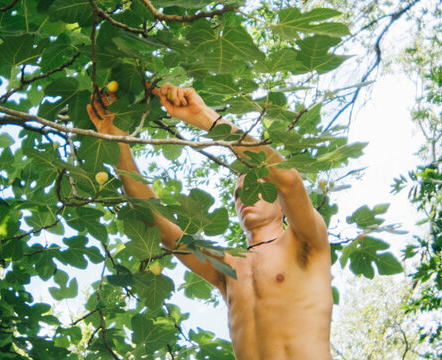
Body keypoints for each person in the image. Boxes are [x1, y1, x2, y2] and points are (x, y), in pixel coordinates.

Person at [86, 83, 333, 360]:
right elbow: (164, 232)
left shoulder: (306, 242)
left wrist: (204, 117)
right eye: (238, 193)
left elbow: (288, 180)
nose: (244, 197)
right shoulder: (227, 266)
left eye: (254, 187)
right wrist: (119, 145)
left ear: (281, 204)